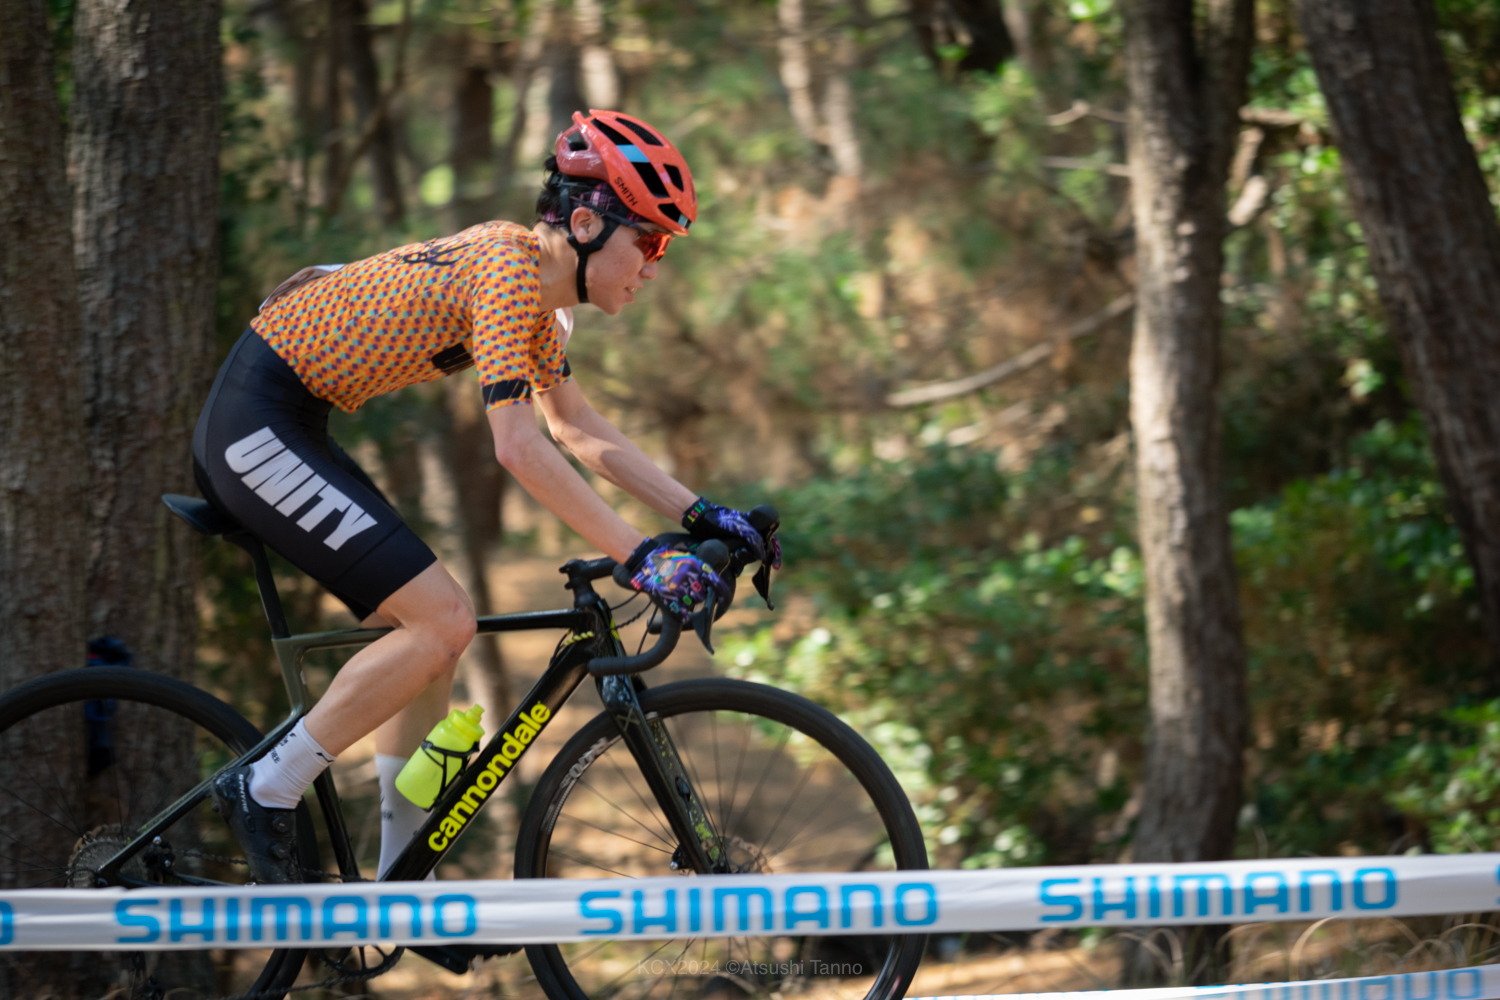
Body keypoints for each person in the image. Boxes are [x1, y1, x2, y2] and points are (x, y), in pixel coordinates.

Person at [192, 110, 779, 888]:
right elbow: (519, 448)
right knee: (443, 622)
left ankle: (403, 877)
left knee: (426, 638)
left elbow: (575, 427)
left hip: (296, 418)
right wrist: (641, 558)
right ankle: (265, 786)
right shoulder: (506, 271)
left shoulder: (537, 298)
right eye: (650, 242)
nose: (654, 266)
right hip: (254, 424)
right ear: (585, 224)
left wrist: (701, 515)